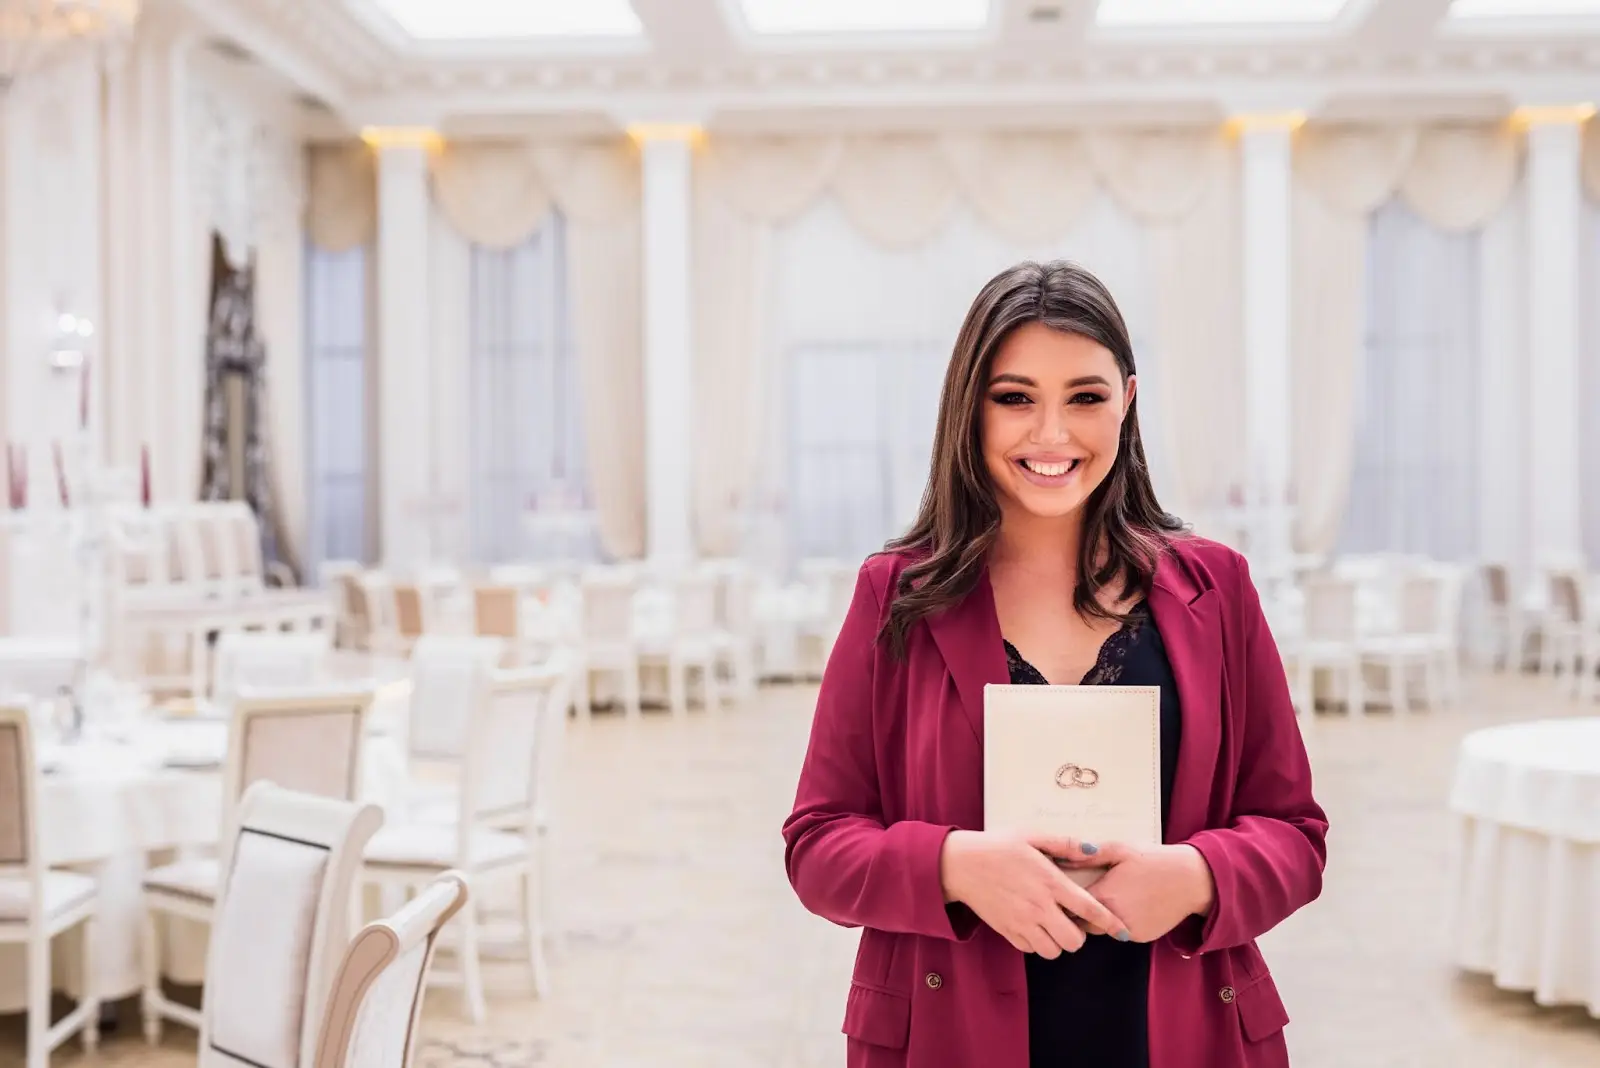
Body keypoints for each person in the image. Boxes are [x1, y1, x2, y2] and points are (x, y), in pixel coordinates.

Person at [782, 261, 1327, 1068]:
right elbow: (818, 846)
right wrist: (953, 866)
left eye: (1085, 397)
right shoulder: (894, 595)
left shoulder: (1218, 589)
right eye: (1015, 398)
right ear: (970, 409)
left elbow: (1295, 834)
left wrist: (1198, 875)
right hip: (950, 1031)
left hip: (1184, 1029)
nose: (1051, 435)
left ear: (1128, 403)